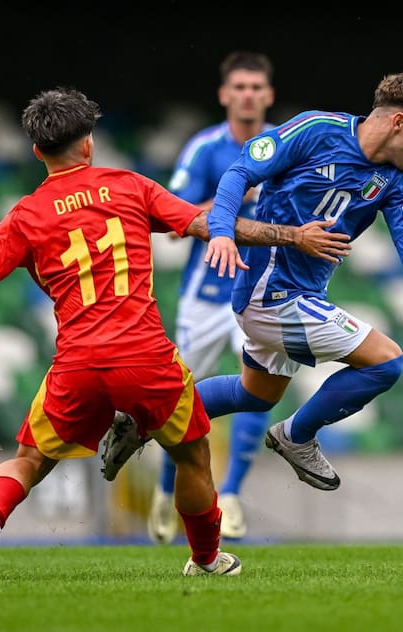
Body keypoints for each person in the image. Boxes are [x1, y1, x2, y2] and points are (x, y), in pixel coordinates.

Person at [0, 86, 351, 579]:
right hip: (147, 359)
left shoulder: (27, 215)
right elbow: (206, 222)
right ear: (88, 144)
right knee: (193, 454)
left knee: (28, 459)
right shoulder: (129, 186)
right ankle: (206, 559)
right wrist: (291, 235)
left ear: (36, 152)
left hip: (77, 365)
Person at [198, 68, 403, 490]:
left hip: (298, 295)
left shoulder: (396, 181)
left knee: (254, 396)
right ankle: (296, 436)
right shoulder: (317, 130)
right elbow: (240, 172)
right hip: (272, 293)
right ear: (398, 122)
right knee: (386, 361)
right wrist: (222, 232)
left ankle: (145, 418)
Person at [116, 51, 277, 546]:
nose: (248, 94)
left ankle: (229, 494)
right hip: (206, 293)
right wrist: (232, 201)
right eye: (240, 86)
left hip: (262, 286)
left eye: (257, 87)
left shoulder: (285, 145)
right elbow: (171, 221)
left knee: (261, 383)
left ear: (268, 95)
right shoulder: (205, 148)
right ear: (225, 94)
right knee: (179, 397)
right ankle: (167, 491)